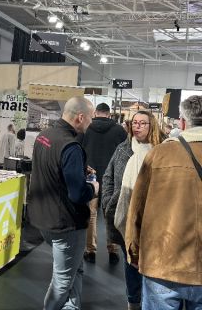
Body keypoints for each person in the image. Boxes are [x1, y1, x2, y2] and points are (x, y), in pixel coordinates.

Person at [126, 95, 202, 310]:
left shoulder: (159, 154)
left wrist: (133, 250)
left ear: (183, 122)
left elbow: (137, 208)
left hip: (162, 261)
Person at [27, 96, 99, 310]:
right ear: (80, 117)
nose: (91, 123)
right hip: (66, 223)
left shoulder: (44, 135)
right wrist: (93, 189)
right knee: (62, 281)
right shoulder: (71, 147)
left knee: (74, 269)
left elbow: (51, 169)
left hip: (44, 218)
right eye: (91, 118)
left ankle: (72, 307)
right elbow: (78, 194)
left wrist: (78, 169)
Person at [102, 110, 164, 310]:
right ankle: (134, 301)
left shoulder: (163, 150)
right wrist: (108, 201)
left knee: (153, 263)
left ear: (152, 125)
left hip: (154, 217)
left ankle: (151, 301)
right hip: (126, 215)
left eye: (142, 123)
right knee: (131, 261)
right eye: (134, 122)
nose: (137, 126)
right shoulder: (123, 148)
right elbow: (108, 176)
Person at [82, 103, 127, 264]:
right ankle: (113, 251)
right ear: (109, 114)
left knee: (91, 214)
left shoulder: (86, 128)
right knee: (111, 214)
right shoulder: (119, 131)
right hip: (112, 179)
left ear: (95, 113)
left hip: (90, 177)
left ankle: (90, 251)